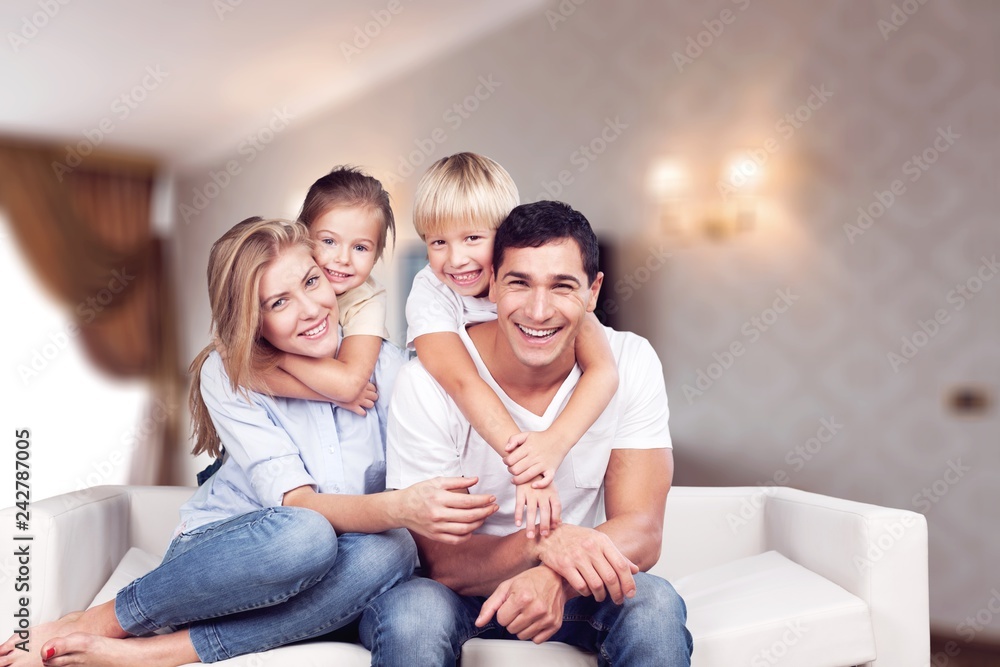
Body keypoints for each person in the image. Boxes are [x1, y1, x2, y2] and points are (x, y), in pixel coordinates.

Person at [0, 218, 498, 667]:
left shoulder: (394, 370)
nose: (311, 310)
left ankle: (164, 653)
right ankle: (111, 620)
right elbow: (301, 506)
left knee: (407, 582)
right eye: (278, 303)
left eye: (311, 281)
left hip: (356, 574)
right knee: (307, 533)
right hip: (236, 563)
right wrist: (400, 507)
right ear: (252, 320)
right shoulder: (230, 373)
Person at [362, 201, 692, 665]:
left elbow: (643, 530)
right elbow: (442, 563)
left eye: (563, 286)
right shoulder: (425, 381)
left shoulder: (631, 362)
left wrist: (554, 575)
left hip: (574, 585)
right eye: (519, 282)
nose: (539, 311)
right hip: (458, 593)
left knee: (653, 603)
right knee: (412, 613)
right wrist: (539, 543)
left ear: (593, 292)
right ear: (492, 283)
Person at [406, 153, 619, 538]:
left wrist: (553, 445)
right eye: (438, 241)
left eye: (472, 238)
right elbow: (461, 382)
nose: (456, 259)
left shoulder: (543, 287)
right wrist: (527, 469)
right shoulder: (431, 292)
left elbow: (603, 371)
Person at [234, 166, 396, 415]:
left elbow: (349, 385)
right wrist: (329, 397)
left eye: (361, 248)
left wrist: (273, 354)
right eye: (329, 241)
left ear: (376, 257)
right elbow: (242, 371)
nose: (343, 258)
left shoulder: (368, 299)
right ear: (303, 237)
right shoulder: (273, 279)